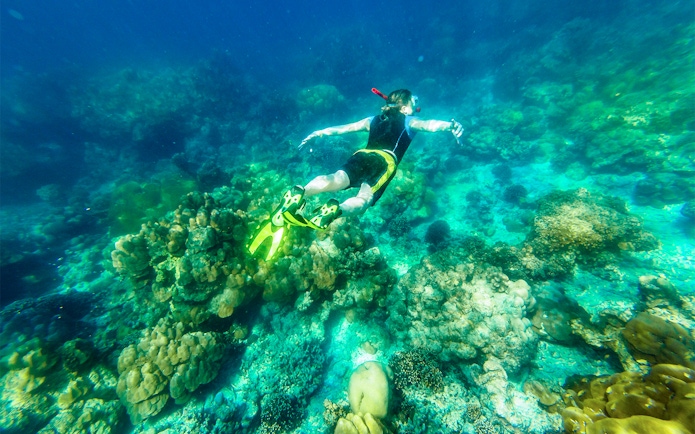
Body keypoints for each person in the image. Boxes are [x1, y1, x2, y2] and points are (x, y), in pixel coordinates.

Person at [248, 88, 464, 260]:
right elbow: (429, 125)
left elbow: (343, 128)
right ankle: (334, 211)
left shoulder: (372, 120)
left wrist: (319, 132)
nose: (416, 108)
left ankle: (301, 192)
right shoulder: (409, 121)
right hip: (384, 161)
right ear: (406, 108)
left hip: (362, 155)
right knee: (363, 199)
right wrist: (450, 126)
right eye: (414, 105)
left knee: (335, 179)